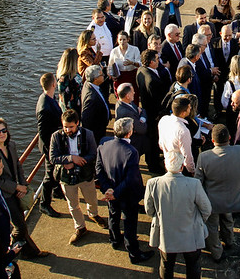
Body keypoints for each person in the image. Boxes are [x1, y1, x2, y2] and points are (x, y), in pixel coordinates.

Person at [0, 118, 50, 259]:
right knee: (20, 226)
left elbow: (18, 166)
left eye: (4, 130)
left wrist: (23, 185)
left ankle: (26, 251)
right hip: (4, 195)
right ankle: (13, 247)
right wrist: (16, 187)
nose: (2, 134)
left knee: (21, 222)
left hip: (16, 190)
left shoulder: (11, 145)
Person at [95, 117, 155, 264]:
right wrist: (115, 192)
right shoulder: (131, 152)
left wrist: (108, 189)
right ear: (129, 133)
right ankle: (133, 253)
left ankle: (115, 240)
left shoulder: (103, 143)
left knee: (113, 216)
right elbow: (130, 179)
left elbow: (99, 169)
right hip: (127, 195)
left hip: (110, 192)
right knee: (129, 223)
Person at [144, 151, 211, 279]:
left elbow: (149, 210)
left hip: (166, 235)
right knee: (193, 265)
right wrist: (197, 220)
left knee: (166, 265)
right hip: (191, 234)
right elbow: (206, 209)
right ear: (182, 167)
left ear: (165, 165)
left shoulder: (153, 184)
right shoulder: (194, 184)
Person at [194, 124, 240, 262]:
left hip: (212, 203)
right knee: (227, 218)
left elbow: (197, 182)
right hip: (233, 199)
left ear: (213, 141)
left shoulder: (204, 157)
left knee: (212, 227)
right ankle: (229, 241)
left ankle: (216, 252)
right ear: (229, 137)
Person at [49, 109, 106, 243]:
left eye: (71, 127)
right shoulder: (56, 136)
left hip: (85, 174)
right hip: (66, 177)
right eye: (65, 127)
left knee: (91, 198)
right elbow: (52, 157)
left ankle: (93, 214)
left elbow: (93, 153)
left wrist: (80, 161)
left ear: (77, 123)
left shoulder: (88, 134)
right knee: (72, 204)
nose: (67, 130)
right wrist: (70, 158)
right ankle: (80, 227)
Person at [36, 73, 63, 218]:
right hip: (50, 147)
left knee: (54, 172)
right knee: (49, 175)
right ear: (53, 84)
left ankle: (57, 190)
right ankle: (44, 204)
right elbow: (43, 133)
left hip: (53, 144)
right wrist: (50, 151)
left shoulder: (48, 99)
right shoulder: (44, 107)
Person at [136, 49, 167, 173]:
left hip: (147, 109)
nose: (159, 61)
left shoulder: (141, 70)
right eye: (157, 59)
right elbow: (157, 100)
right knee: (153, 140)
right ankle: (153, 165)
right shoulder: (152, 80)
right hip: (154, 114)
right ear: (151, 62)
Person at [157, 94, 195, 174]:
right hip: (180, 167)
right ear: (183, 113)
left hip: (168, 161)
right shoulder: (183, 131)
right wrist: (192, 170)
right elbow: (187, 155)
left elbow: (161, 143)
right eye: (189, 107)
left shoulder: (163, 120)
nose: (191, 108)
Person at [114, 83, 147, 156]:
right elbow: (142, 129)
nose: (134, 93)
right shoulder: (126, 112)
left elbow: (142, 110)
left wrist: (141, 116)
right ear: (127, 96)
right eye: (132, 92)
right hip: (134, 145)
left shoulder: (126, 102)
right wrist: (142, 118)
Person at [80, 64, 110, 145]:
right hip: (96, 133)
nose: (104, 75)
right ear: (95, 79)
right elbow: (86, 120)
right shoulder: (91, 98)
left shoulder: (89, 84)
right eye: (101, 75)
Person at [109, 31, 141, 102]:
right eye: (120, 40)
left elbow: (140, 64)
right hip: (119, 76)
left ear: (128, 40)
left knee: (134, 96)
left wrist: (132, 63)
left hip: (132, 75)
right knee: (121, 96)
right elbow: (110, 66)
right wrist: (112, 75)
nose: (122, 42)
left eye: (124, 39)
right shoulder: (114, 51)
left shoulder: (134, 49)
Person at [56, 47, 83, 113]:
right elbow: (66, 101)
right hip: (72, 111)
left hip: (76, 107)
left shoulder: (73, 74)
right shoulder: (65, 79)